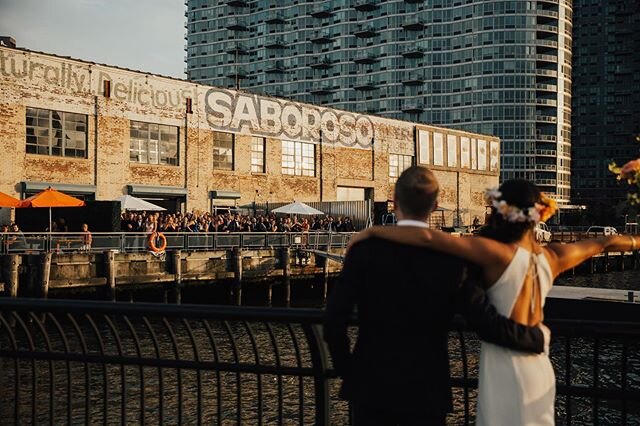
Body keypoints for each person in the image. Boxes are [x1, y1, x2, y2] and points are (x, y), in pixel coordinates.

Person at [351, 175, 639, 425]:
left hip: (505, 368)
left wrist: (372, 231)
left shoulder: (495, 255)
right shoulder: (553, 257)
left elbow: (428, 239)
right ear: (537, 215)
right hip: (539, 368)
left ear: (502, 214)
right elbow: (605, 242)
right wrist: (636, 241)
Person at [324, 166, 547, 426]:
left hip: (371, 389)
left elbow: (334, 322)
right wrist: (535, 336)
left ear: (394, 203)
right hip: (426, 391)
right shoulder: (451, 259)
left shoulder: (364, 251)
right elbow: (484, 321)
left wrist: (350, 372)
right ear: (435, 205)